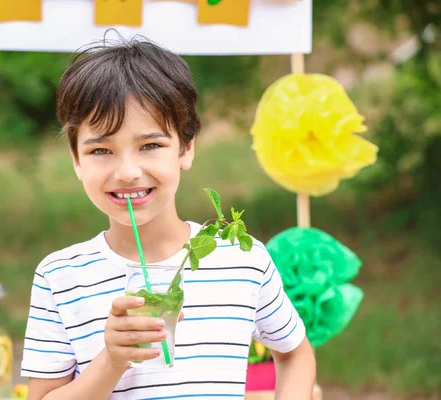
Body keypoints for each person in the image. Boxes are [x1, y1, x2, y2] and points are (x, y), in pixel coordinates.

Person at [21, 35, 316, 399]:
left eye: (150, 146)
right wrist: (111, 361)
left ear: (186, 148)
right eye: (101, 149)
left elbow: (295, 354)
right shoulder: (60, 277)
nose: (127, 171)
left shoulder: (243, 260)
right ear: (76, 160)